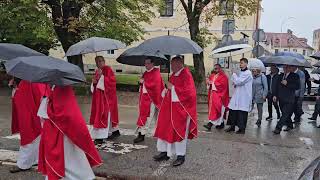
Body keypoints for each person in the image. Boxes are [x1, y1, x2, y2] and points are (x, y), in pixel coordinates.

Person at [38, 86, 103, 180]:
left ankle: (81, 176)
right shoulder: (55, 86)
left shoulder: (62, 88)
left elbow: (62, 111)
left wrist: (48, 104)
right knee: (71, 157)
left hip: (63, 130)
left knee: (70, 156)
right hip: (58, 128)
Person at [153, 56, 197, 167]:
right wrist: (166, 89)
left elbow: (190, 93)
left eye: (173, 64)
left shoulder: (186, 74)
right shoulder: (173, 74)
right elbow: (170, 88)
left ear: (180, 63)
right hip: (169, 109)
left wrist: (173, 88)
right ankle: (164, 152)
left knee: (179, 132)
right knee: (164, 129)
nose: (171, 67)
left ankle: (180, 156)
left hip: (181, 110)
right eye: (171, 64)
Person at [9, 80, 47, 173]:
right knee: (36, 135)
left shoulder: (27, 81)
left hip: (30, 109)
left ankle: (24, 163)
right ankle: (35, 159)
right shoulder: (34, 79)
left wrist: (16, 89)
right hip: (36, 109)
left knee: (29, 135)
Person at [90, 56, 120, 144]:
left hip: (107, 98)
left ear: (104, 61)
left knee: (104, 116)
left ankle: (100, 137)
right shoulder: (97, 71)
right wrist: (94, 82)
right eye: (97, 62)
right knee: (106, 115)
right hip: (99, 98)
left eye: (100, 61)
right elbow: (95, 84)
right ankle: (115, 131)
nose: (99, 63)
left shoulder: (108, 70)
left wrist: (102, 77)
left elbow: (112, 82)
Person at [134, 58, 164, 143]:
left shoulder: (156, 72)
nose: (146, 65)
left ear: (152, 63)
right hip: (145, 98)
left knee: (148, 117)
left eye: (147, 63)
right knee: (144, 116)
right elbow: (144, 84)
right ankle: (142, 133)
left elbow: (155, 85)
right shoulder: (146, 73)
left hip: (152, 99)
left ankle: (142, 135)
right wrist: (141, 82)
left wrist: (144, 82)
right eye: (145, 63)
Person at [225, 58, 253, 134]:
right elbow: (235, 81)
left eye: (242, 63)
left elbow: (239, 81)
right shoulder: (240, 72)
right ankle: (232, 126)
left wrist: (234, 74)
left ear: (246, 64)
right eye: (240, 63)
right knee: (233, 110)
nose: (240, 64)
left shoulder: (248, 73)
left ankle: (242, 128)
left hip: (244, 96)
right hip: (237, 94)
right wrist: (234, 78)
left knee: (241, 112)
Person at [273, 65, 300, 134]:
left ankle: (278, 128)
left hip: (289, 98)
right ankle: (290, 125)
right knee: (285, 114)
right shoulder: (280, 76)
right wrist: (275, 95)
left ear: (290, 68)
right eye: (284, 67)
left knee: (285, 114)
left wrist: (287, 83)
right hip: (281, 98)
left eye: (286, 67)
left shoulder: (295, 76)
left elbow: (297, 86)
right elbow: (276, 86)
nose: (284, 68)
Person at [203, 64, 229, 131]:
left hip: (219, 96)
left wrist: (212, 83)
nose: (216, 70)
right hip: (212, 96)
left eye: (217, 68)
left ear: (220, 68)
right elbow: (210, 85)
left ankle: (210, 124)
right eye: (215, 68)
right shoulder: (212, 75)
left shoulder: (224, 76)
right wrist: (208, 82)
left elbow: (222, 86)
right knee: (216, 111)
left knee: (217, 110)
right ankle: (221, 124)